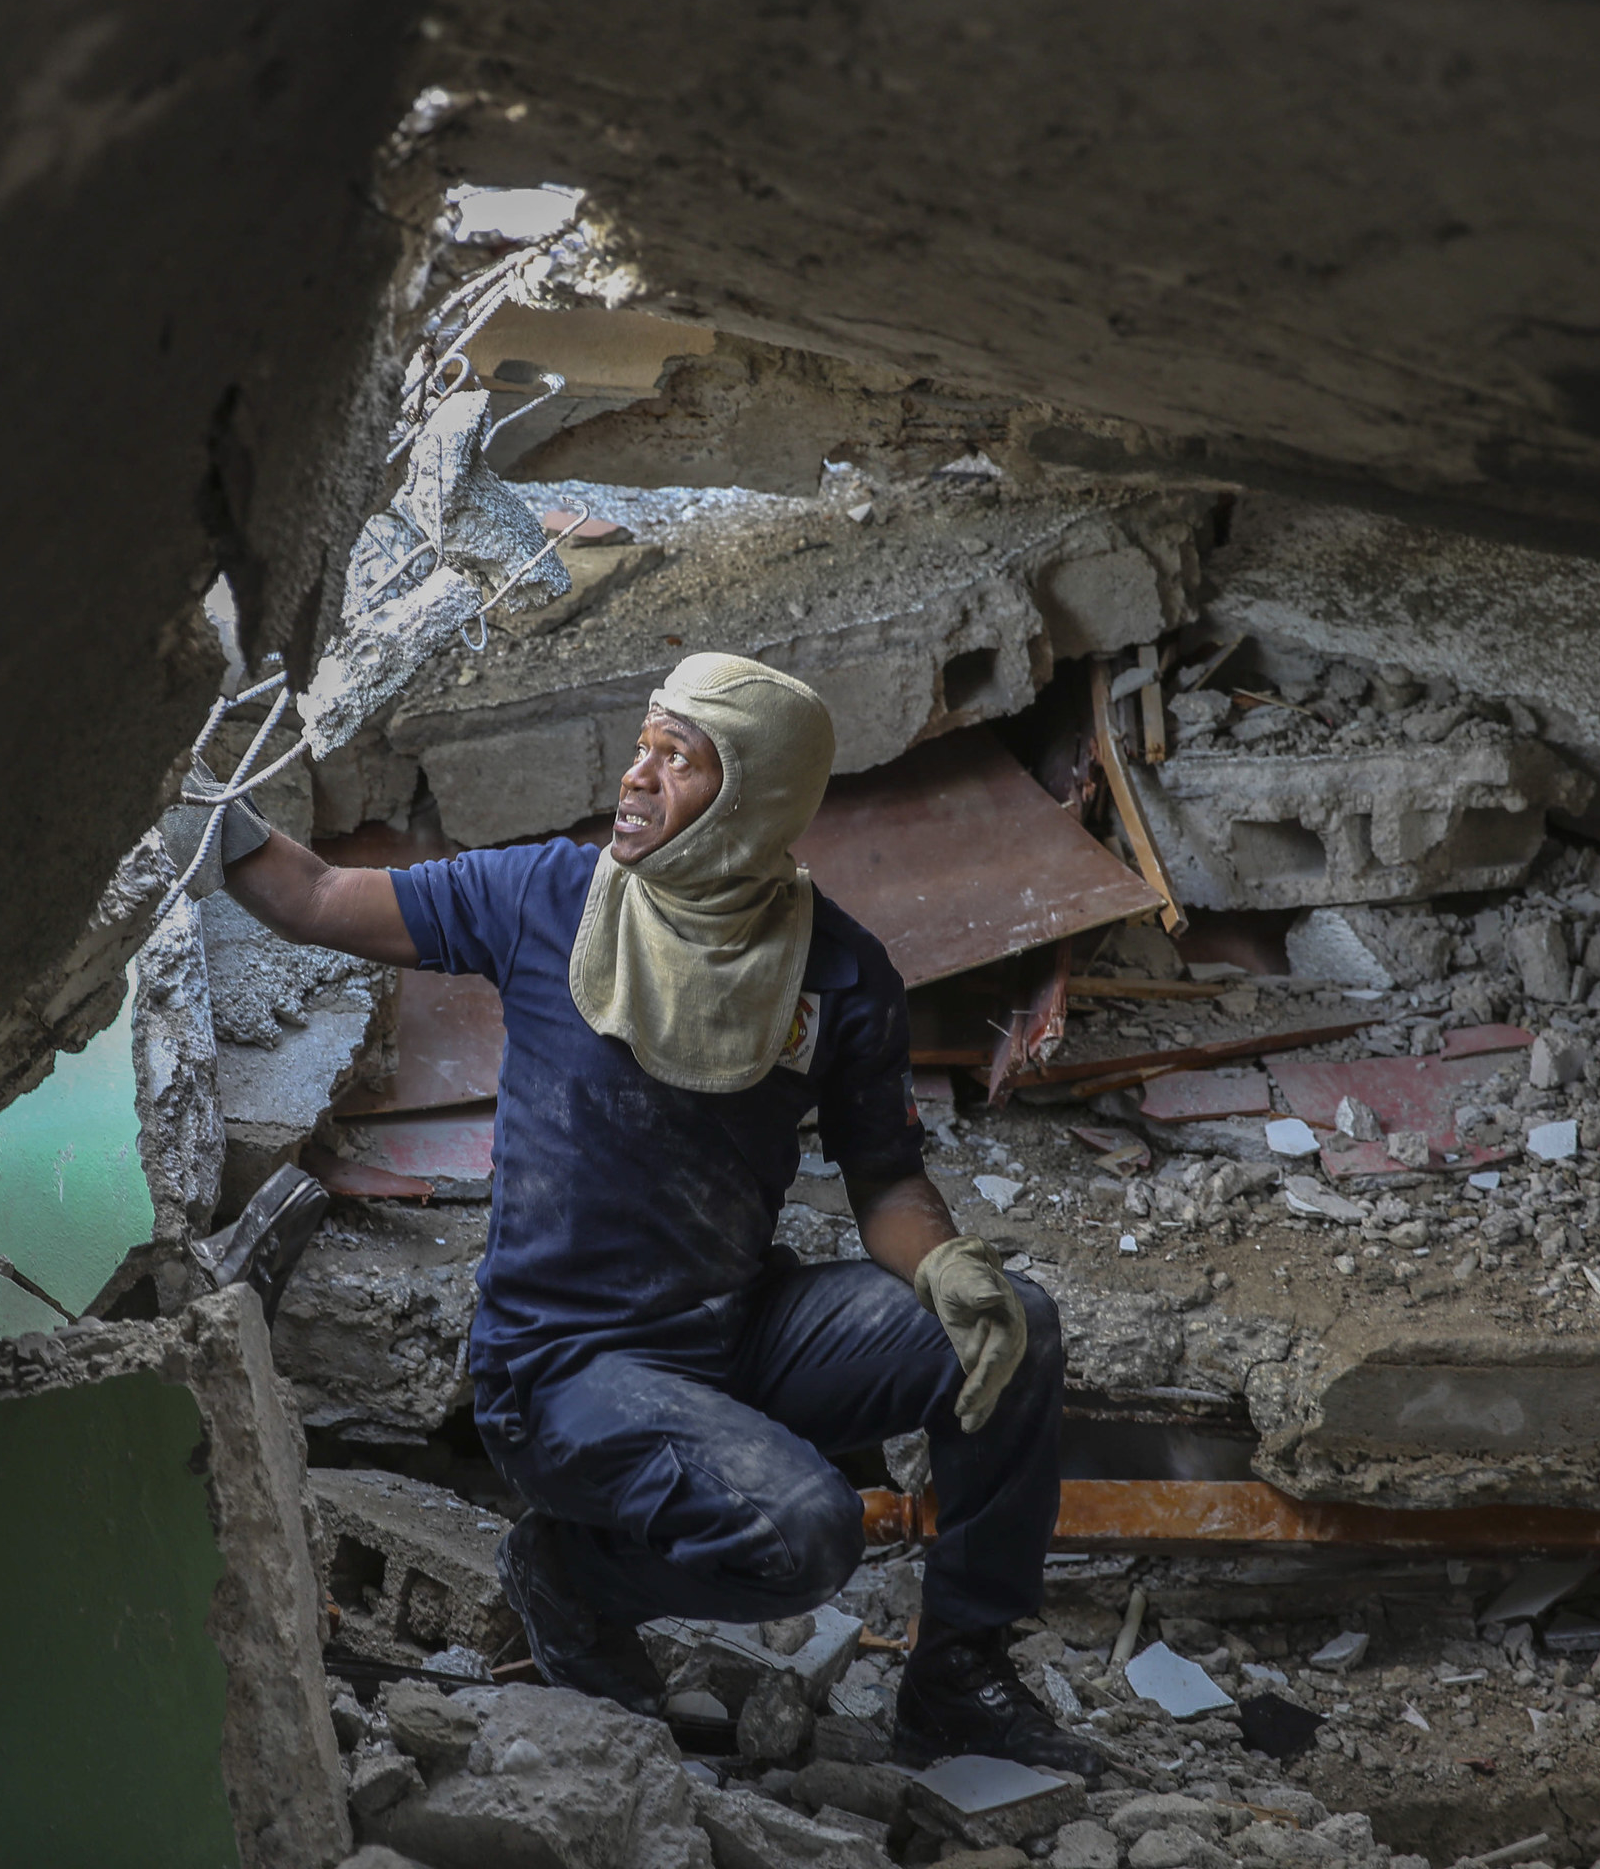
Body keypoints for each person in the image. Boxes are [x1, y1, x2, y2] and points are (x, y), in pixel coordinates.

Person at [210, 650, 1097, 1775]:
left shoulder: (835, 970)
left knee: (1014, 1328)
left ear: (759, 794)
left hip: (731, 1334)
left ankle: (959, 1676)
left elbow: (885, 1181)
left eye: (679, 759)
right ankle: (574, 1577)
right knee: (808, 1527)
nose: (637, 778)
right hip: (566, 1371)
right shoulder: (546, 898)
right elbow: (315, 896)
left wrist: (950, 1267)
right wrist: (201, 805)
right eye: (644, 745)